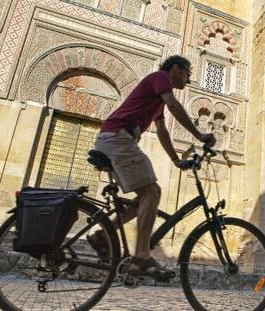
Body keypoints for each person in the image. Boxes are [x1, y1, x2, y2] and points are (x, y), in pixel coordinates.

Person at [88, 55, 216, 279]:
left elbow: (162, 131)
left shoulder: (157, 100)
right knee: (153, 191)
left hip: (113, 139)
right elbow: (174, 105)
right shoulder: (160, 78)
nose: (188, 80)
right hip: (118, 137)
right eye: (187, 73)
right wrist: (200, 135)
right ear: (175, 69)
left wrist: (176, 161)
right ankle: (142, 257)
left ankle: (102, 235)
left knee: (143, 201)